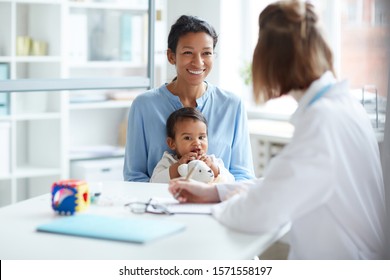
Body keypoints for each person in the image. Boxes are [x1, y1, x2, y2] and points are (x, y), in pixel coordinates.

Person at [169, 0, 387, 259]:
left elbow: (260, 211)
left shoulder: (323, 122)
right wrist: (215, 191)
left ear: (272, 59)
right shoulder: (344, 106)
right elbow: (280, 185)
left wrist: (216, 208)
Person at [123, 15, 255, 182]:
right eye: (188, 53)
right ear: (171, 56)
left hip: (217, 206)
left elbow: (244, 177)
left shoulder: (233, 105)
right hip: (159, 206)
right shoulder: (144, 105)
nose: (198, 62)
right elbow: (134, 177)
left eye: (206, 53)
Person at [150, 107, 235, 183]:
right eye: (187, 138)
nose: (197, 143)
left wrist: (213, 168)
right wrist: (178, 166)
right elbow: (154, 182)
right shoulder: (169, 161)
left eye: (201, 137)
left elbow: (231, 181)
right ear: (172, 143)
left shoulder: (213, 161)